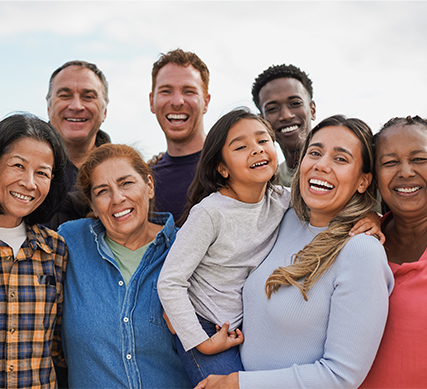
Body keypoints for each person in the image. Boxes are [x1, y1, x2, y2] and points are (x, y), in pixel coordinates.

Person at [158, 109, 382, 386]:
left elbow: (341, 377)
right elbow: (178, 277)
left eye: (340, 158)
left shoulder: (360, 249)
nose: (322, 165)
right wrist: (190, 325)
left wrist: (377, 216)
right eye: (314, 153)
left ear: (363, 181)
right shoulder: (286, 218)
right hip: (216, 335)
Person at [57, 143, 192, 388]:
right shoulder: (70, 242)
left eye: (126, 183)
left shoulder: (187, 247)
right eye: (102, 191)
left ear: (149, 186)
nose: (118, 198)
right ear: (93, 205)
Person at [0, 113, 68, 388]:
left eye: (42, 173)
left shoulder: (55, 249)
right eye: (18, 165)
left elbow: (58, 346)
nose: (29, 183)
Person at [361, 116, 427, 388]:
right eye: (390, 162)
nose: (406, 171)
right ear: (374, 178)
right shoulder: (357, 240)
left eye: (419, 159)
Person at [46, 60, 111, 229]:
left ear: (104, 111)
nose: (76, 106)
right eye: (65, 96)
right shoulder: (14, 170)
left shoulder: (125, 174)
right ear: (48, 107)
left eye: (88, 97)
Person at [149, 48, 211, 222]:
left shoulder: (231, 168)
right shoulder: (143, 182)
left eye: (189, 91)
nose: (177, 102)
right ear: (152, 102)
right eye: (166, 91)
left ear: (205, 102)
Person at [252, 64, 316, 187]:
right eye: (272, 108)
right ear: (262, 121)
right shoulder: (267, 185)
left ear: (312, 109)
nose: (286, 115)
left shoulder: (346, 170)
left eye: (295, 103)